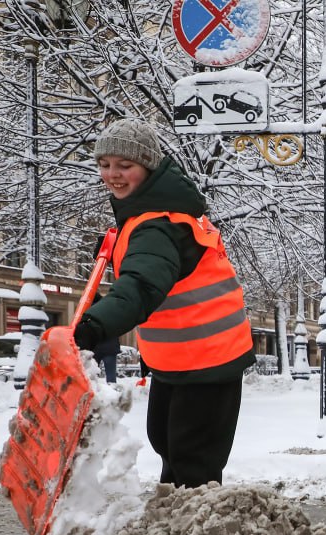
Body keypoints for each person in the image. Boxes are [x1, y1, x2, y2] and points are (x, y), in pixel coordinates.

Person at [73, 117, 254, 487]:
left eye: (125, 165)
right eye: (104, 164)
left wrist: (92, 327)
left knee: (191, 458)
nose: (113, 174)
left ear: (149, 166)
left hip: (208, 358)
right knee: (168, 444)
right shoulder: (144, 217)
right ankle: (178, 527)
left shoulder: (157, 225)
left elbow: (141, 286)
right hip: (183, 358)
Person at [89, 292, 121, 383]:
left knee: (92, 377)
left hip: (95, 348)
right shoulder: (110, 309)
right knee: (111, 377)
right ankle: (113, 395)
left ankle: (94, 395)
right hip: (110, 347)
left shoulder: (89, 311)